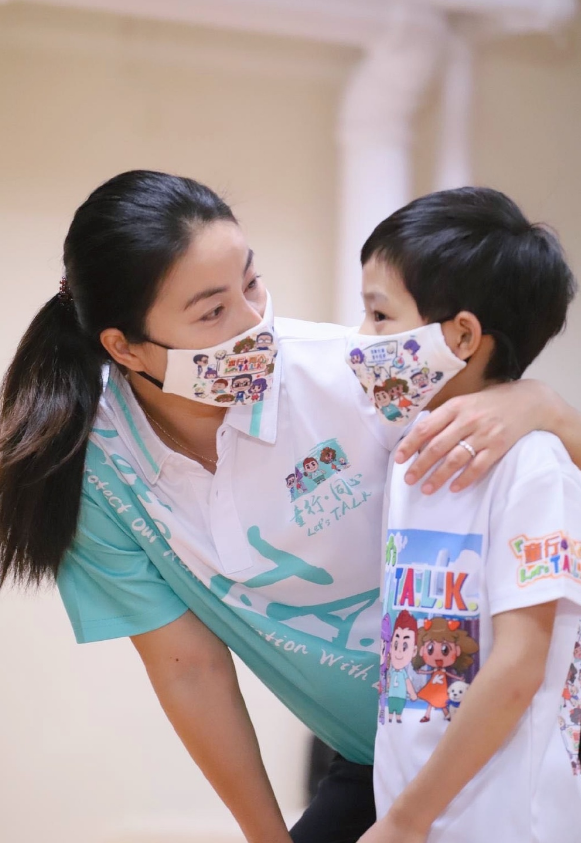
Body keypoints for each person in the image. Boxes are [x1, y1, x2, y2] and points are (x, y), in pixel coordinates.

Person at [1, 171, 581, 843]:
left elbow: (501, 414)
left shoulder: (358, 372)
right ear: (124, 346)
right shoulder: (93, 466)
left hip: (498, 760)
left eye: (251, 283)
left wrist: (546, 408)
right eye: (212, 311)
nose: (255, 325)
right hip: (383, 759)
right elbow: (189, 667)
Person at [345, 187, 581, 843]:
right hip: (427, 812)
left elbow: (517, 667)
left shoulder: (533, 466)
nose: (361, 339)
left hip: (506, 820)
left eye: (379, 315)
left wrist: (402, 819)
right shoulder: (408, 455)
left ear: (461, 335)